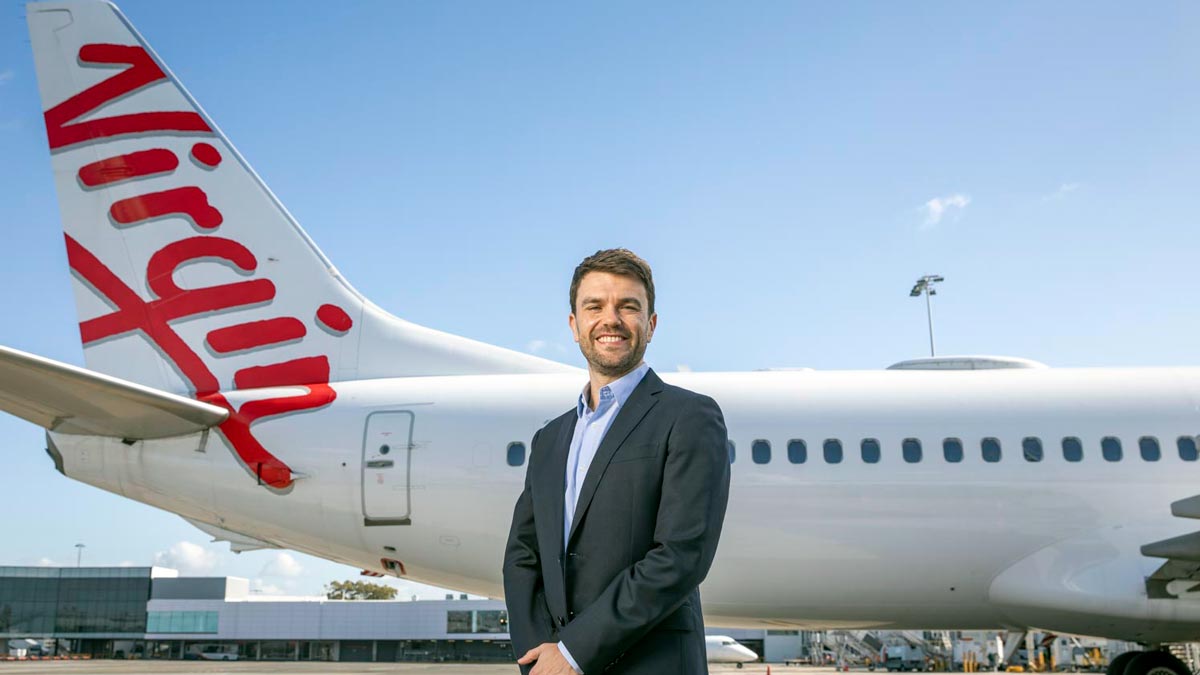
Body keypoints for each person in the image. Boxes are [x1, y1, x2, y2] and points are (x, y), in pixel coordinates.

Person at [503, 248, 731, 674]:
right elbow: (523, 555)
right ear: (574, 325)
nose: (611, 319)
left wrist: (574, 653)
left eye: (628, 306)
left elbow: (682, 555)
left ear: (652, 324)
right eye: (595, 306)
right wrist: (541, 657)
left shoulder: (690, 417)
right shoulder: (550, 438)